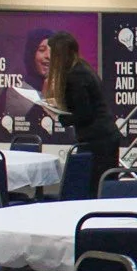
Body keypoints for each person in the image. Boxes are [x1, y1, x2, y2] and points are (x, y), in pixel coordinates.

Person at [42, 30, 117, 194]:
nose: (49, 57)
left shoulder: (76, 75)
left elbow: (84, 114)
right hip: (101, 137)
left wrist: (59, 116)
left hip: (98, 140)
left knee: (95, 188)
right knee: (99, 187)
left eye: (52, 52)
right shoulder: (81, 68)